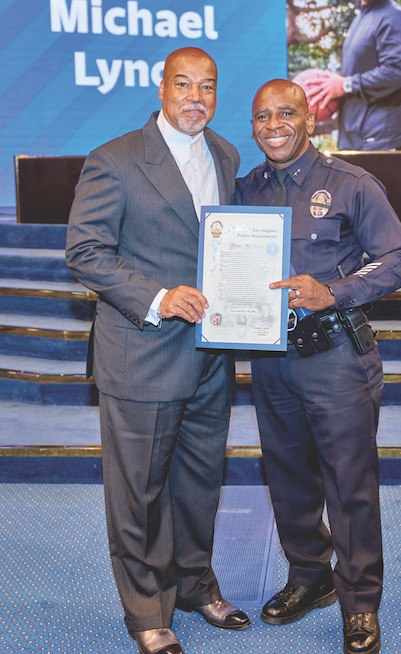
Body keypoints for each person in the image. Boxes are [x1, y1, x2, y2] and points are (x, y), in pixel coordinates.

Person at [65, 47, 251, 654]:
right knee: (139, 494)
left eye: (208, 86)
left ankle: (195, 584)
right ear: (161, 88)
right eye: (184, 84)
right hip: (141, 353)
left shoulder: (225, 154)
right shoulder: (114, 159)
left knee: (200, 483)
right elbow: (85, 252)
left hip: (211, 355)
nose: (196, 97)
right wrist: (159, 297)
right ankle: (147, 610)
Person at [236, 79, 401, 654]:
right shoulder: (243, 191)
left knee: (349, 485)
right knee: (287, 479)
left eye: (286, 113)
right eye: (262, 117)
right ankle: (310, 577)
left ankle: (359, 602)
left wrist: (333, 291)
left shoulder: (351, 183)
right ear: (253, 127)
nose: (274, 126)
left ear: (309, 119)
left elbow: (399, 258)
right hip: (271, 360)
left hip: (337, 358)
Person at [304, 0, 401, 151]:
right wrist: (333, 87)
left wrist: (346, 85)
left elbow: (397, 72)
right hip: (354, 139)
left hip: (381, 140)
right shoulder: (361, 17)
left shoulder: (393, 17)